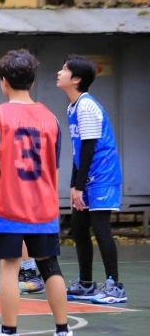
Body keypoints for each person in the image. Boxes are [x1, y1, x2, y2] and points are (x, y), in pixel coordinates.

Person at [0, 49, 78, 336]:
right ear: (32, 82)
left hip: (10, 205)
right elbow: (53, 167)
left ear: (4, 82)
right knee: (50, 266)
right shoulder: (51, 118)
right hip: (44, 206)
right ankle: (64, 335)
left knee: (9, 267)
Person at [56, 55, 126, 304]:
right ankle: (86, 283)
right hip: (87, 176)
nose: (59, 72)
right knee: (78, 227)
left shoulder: (87, 106)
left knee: (100, 227)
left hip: (103, 176)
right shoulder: (72, 107)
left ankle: (115, 286)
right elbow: (78, 152)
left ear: (76, 79)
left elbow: (89, 148)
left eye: (64, 69)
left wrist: (79, 185)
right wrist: (74, 185)